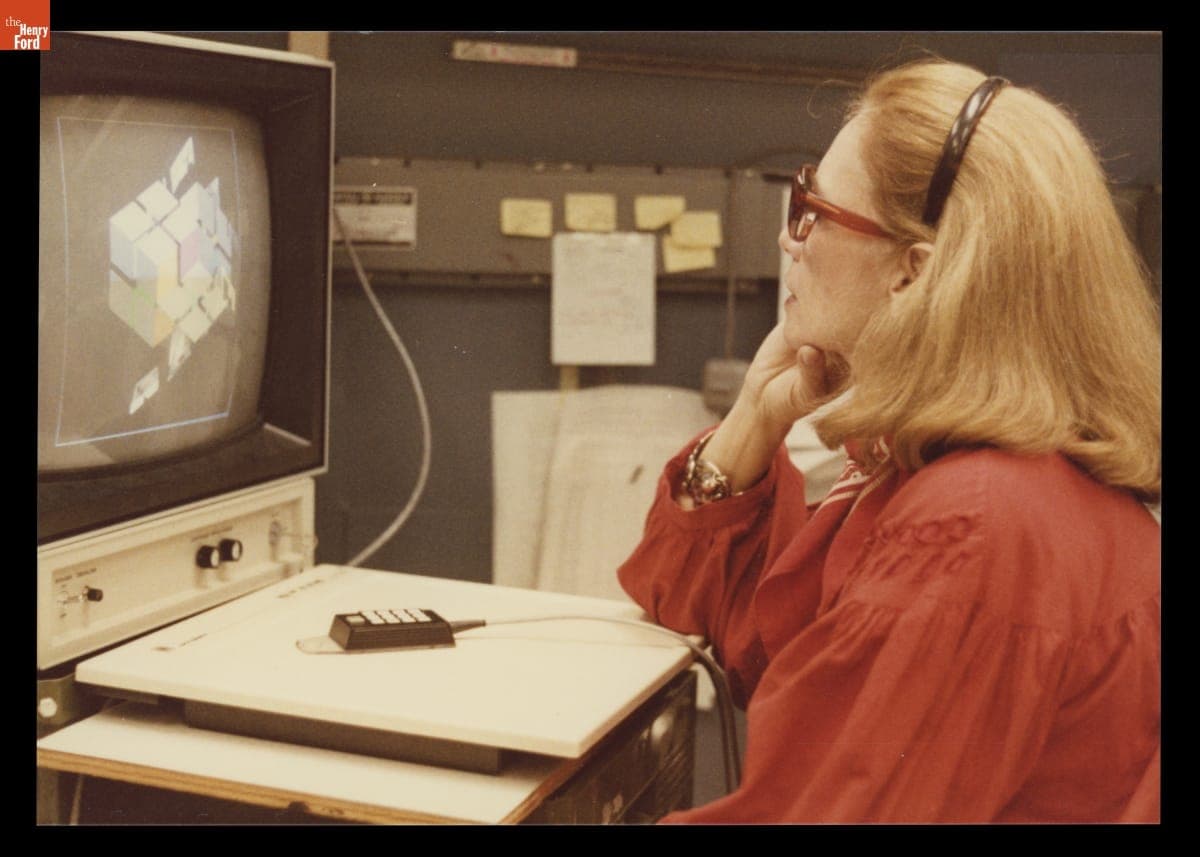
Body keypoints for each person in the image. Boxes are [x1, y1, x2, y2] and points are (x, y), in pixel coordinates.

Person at [617, 59, 1161, 824]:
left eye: (812, 207)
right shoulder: (959, 476)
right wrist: (756, 416)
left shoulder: (971, 526)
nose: (787, 236)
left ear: (914, 270)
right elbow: (748, 642)